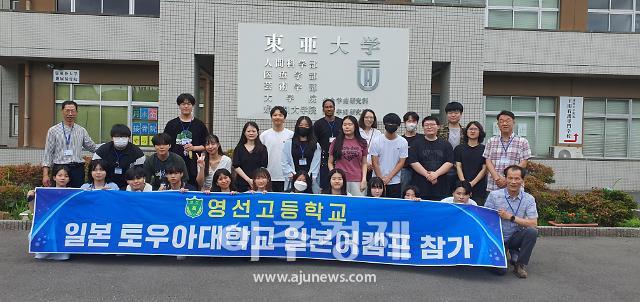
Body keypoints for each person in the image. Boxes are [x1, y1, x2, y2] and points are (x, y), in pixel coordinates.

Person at [484, 165, 538, 279]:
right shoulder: (494, 196)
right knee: (501, 271)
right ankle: (506, 252)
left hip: (515, 237)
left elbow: (533, 223)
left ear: (522, 180)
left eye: (517, 178)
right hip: (497, 238)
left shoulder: (529, 199)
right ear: (505, 179)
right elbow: (485, 218)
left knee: (532, 232)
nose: (513, 182)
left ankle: (520, 264)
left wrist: (510, 217)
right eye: (510, 178)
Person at [42, 100, 97, 188]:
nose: (70, 113)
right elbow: (48, 153)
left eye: (73, 111)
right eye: (67, 110)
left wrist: (108, 147)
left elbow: (92, 147)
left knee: (76, 195)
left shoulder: (81, 130)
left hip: (77, 169)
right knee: (59, 195)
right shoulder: (53, 130)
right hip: (59, 169)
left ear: (76, 112)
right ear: (62, 111)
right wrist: (45, 175)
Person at [163, 93, 209, 188]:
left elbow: (206, 145)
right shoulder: (171, 124)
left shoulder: (199, 125)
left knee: (192, 190)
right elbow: (165, 143)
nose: (186, 106)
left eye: (189, 104)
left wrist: (194, 148)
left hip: (194, 165)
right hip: (174, 165)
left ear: (193, 106)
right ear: (179, 106)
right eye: (183, 104)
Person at [30, 164, 72, 261]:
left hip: (67, 225)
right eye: (60, 175)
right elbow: (35, 210)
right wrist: (32, 196)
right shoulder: (45, 193)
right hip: (49, 224)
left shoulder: (73, 193)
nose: (62, 178)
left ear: (69, 179)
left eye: (66, 176)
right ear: (54, 177)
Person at [483, 110, 532, 192]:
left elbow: (523, 163)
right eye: (501, 121)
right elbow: (488, 161)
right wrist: (497, 178)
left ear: (513, 123)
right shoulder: (491, 141)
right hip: (494, 184)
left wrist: (507, 179)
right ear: (498, 125)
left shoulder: (523, 141)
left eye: (508, 121)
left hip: (514, 184)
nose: (504, 124)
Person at [407, 116, 454, 201]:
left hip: (441, 185)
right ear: (423, 127)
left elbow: (449, 162)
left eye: (432, 124)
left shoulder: (446, 144)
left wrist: (436, 174)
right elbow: (413, 162)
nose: (429, 127)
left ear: (438, 126)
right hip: (420, 185)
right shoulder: (416, 144)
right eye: (426, 125)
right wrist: (428, 175)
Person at [92, 124, 146, 190]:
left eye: (124, 137)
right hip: (106, 186)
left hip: (129, 186)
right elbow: (94, 169)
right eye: (117, 137)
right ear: (112, 138)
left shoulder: (137, 153)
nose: (120, 139)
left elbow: (140, 174)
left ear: (129, 138)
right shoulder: (102, 150)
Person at [370, 113, 408, 198]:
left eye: (393, 124)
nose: (391, 126)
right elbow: (375, 162)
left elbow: (401, 162)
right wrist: (381, 181)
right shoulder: (376, 141)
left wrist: (388, 178)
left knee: (392, 207)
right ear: (384, 125)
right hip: (376, 181)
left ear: (398, 126)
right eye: (388, 124)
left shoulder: (403, 142)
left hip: (395, 181)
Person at [328, 115, 368, 196]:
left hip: (357, 180)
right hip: (340, 181)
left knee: (357, 205)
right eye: (344, 125)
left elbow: (364, 163)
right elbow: (330, 162)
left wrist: (364, 179)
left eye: (350, 124)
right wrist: (334, 175)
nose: (347, 127)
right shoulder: (336, 142)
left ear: (355, 126)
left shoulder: (362, 142)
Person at [282, 116, 321, 193]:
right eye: (301, 125)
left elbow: (316, 163)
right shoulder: (289, 143)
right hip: (293, 177)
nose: (303, 127)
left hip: (309, 179)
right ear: (297, 126)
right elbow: (284, 161)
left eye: (306, 125)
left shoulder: (316, 145)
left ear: (310, 127)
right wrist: (292, 174)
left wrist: (310, 177)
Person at [260, 106, 294, 192]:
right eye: (275, 115)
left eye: (280, 115)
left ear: (284, 118)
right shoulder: (264, 135)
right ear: (271, 117)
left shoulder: (291, 135)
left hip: (287, 176)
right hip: (268, 176)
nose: (277, 117)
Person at [455, 121, 488, 204]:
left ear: (480, 132)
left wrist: (472, 184)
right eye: (470, 129)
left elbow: (484, 169)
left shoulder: (485, 149)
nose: (472, 131)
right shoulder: (459, 148)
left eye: (475, 129)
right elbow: (458, 166)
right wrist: (464, 184)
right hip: (461, 188)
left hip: (479, 187)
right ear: (466, 132)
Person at [314, 99, 343, 191]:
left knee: (339, 185)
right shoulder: (318, 124)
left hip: (340, 158)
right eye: (326, 107)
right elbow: (315, 141)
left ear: (334, 108)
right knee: (325, 186)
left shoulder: (341, 122)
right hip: (324, 160)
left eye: (331, 107)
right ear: (323, 109)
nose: (329, 109)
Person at [232, 121, 268, 192]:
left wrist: (256, 181)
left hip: (258, 184)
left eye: (253, 131)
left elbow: (263, 166)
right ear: (244, 133)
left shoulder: (262, 148)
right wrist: (248, 179)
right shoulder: (239, 148)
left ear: (257, 133)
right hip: (241, 183)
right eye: (248, 131)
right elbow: (236, 166)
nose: (251, 133)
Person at [438, 101, 465, 194]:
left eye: (456, 113)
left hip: (461, 167)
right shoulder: (439, 130)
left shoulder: (466, 131)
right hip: (443, 165)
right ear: (446, 114)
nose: (453, 115)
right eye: (450, 113)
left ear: (461, 114)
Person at [400, 111, 422, 193]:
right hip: (405, 170)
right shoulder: (400, 139)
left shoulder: (422, 138)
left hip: (420, 170)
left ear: (417, 123)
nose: (411, 124)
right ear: (404, 123)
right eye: (409, 121)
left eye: (414, 121)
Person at [358, 109, 383, 181]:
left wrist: (372, 163)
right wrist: (365, 163)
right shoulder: (357, 131)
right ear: (362, 118)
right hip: (359, 166)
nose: (369, 119)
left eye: (371, 117)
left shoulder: (377, 133)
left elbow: (380, 150)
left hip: (373, 167)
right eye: (366, 117)